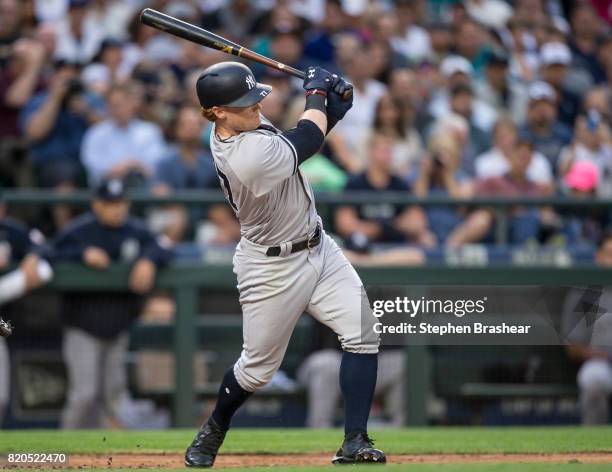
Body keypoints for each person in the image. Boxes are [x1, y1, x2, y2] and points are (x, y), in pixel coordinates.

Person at [184, 61, 384, 467]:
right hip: (270, 266)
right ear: (218, 113)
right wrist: (316, 96)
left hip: (319, 246)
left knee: (363, 332)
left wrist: (332, 107)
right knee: (256, 371)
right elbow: (305, 140)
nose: (256, 106)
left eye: (254, 96)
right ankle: (215, 425)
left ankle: (355, 441)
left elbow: (309, 132)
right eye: (245, 102)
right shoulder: (243, 155)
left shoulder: (244, 123)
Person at [50, 177, 172, 428]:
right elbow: (49, 252)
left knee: (114, 398)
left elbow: (164, 247)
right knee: (84, 395)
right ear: (96, 205)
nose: (117, 208)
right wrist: (81, 254)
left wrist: (148, 260)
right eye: (110, 203)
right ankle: (64, 453)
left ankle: (105, 457)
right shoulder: (79, 231)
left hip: (117, 326)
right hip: (83, 325)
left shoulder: (135, 230)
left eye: (121, 203)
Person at [336, 132, 434, 250]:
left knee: (426, 242)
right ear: (371, 152)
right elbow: (344, 224)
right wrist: (378, 228)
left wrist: (391, 226)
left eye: (390, 151)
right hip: (363, 247)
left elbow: (418, 221)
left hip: (396, 248)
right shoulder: (355, 183)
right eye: (383, 150)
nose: (388, 155)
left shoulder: (399, 184)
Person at [563, 232, 612, 424]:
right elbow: (573, 347)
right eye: (609, 254)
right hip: (602, 363)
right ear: (598, 257)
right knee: (593, 378)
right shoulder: (584, 292)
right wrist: (605, 356)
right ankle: (594, 444)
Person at [81, 83, 166, 186]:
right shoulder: (95, 133)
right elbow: (92, 165)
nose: (117, 110)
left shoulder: (150, 131)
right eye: (112, 105)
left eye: (120, 104)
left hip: (143, 187)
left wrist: (133, 164)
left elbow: (156, 164)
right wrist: (118, 169)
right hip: (107, 189)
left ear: (131, 104)